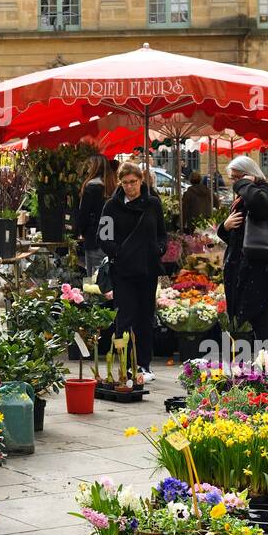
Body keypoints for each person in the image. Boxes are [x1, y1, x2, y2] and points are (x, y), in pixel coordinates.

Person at [100, 160, 167, 381]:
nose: (130, 187)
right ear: (120, 183)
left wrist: (159, 248)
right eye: (126, 183)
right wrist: (117, 253)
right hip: (123, 271)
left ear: (141, 181)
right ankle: (125, 364)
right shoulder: (111, 206)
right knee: (125, 318)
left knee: (146, 317)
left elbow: (162, 233)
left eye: (134, 182)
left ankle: (144, 365)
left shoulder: (153, 204)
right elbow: (104, 236)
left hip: (147, 268)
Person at [218, 156, 268, 345]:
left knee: (259, 315)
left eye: (238, 177)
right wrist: (225, 227)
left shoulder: (263, 191)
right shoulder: (247, 193)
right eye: (233, 179)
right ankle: (264, 361)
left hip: (258, 264)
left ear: (249, 175)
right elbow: (236, 237)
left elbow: (259, 205)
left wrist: (245, 184)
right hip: (243, 264)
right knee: (255, 316)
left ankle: (267, 362)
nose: (235, 183)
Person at [76, 155, 117, 277]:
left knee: (93, 278)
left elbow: (83, 214)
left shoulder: (91, 187)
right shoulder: (112, 188)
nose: (87, 169)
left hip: (94, 238)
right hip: (110, 238)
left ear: (94, 168)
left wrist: (81, 231)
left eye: (89, 166)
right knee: (109, 278)